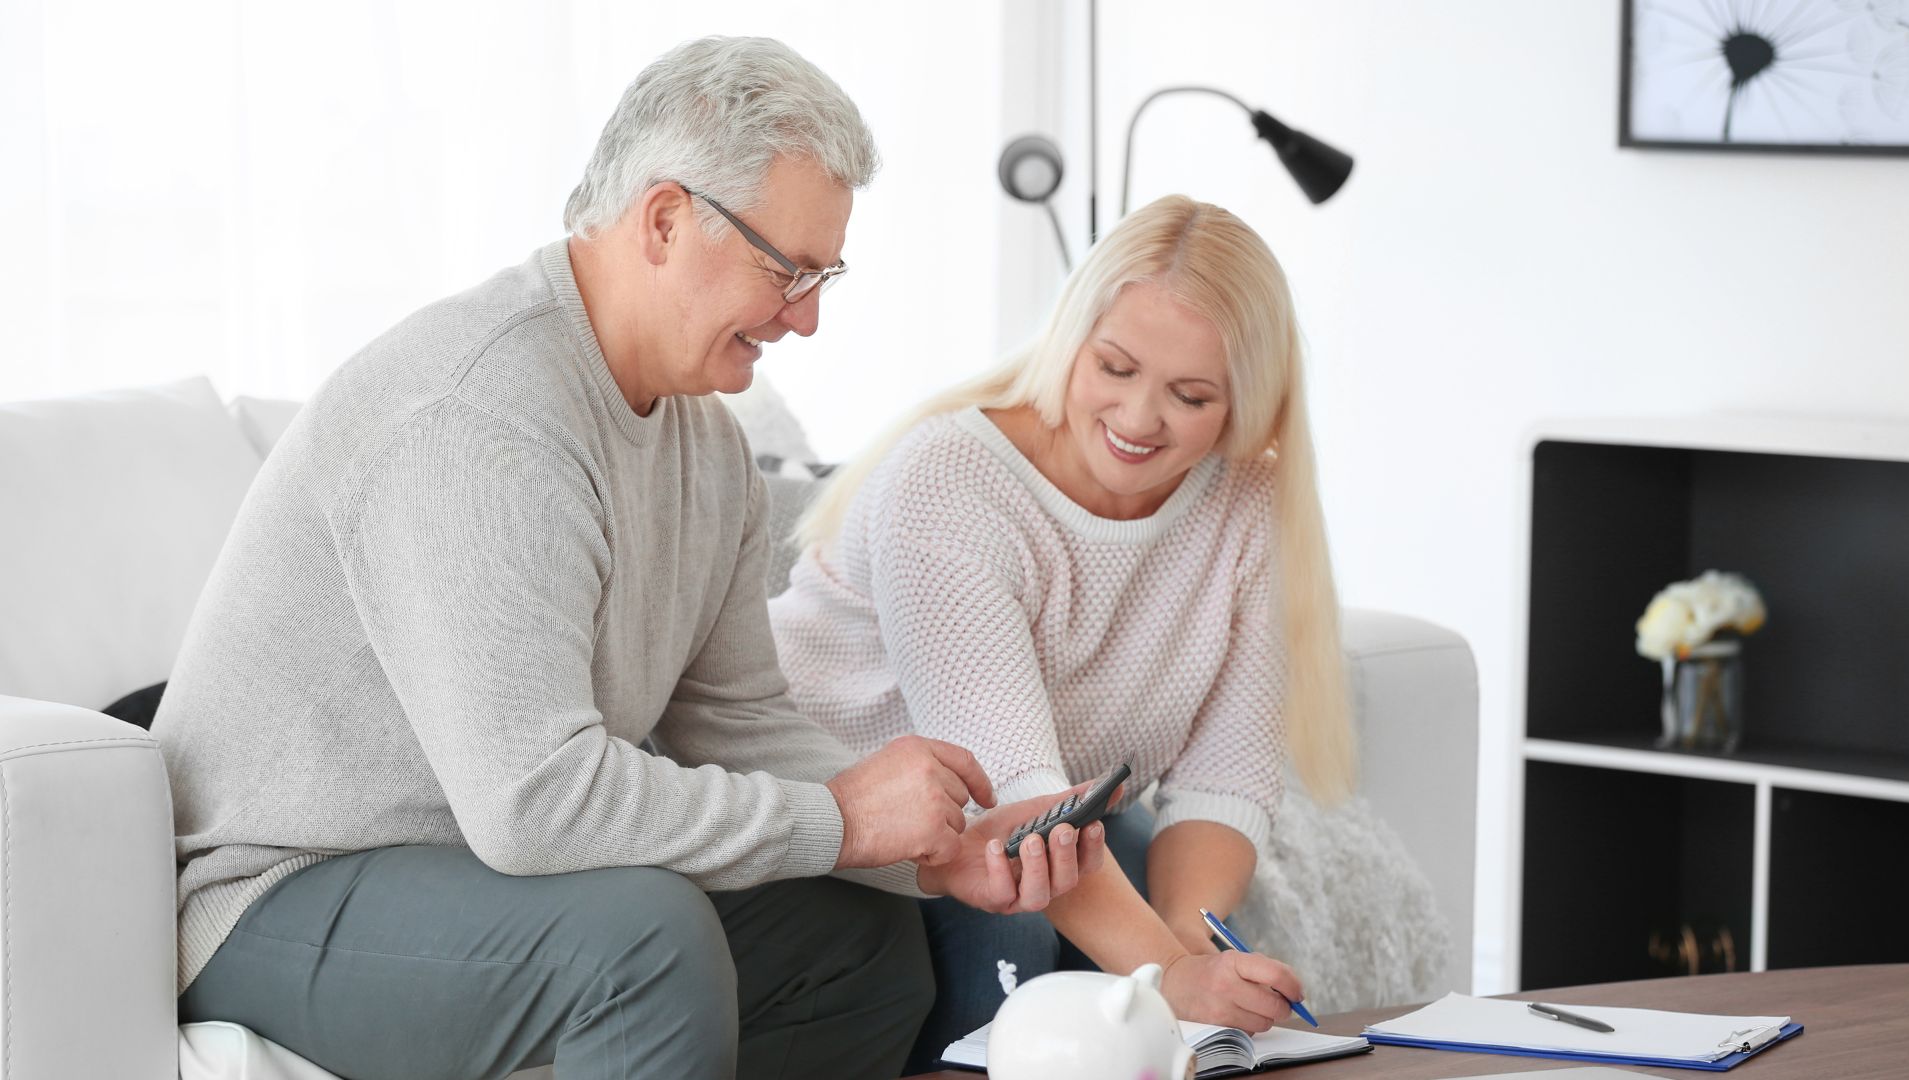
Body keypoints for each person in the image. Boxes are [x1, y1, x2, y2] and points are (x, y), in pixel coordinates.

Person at [153, 36, 1103, 1080]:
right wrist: (838, 821)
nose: (809, 318)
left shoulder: (711, 451)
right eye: (787, 271)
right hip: (277, 895)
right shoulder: (481, 415)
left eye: (825, 274)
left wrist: (938, 845)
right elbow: (535, 802)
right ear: (663, 221)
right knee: (646, 944)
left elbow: (737, 723)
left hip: (469, 872)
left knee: (859, 952)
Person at [768, 194, 1356, 1072]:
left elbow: (1223, 782)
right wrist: (1165, 975)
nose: (1139, 419)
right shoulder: (948, 480)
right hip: (842, 821)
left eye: (1191, 396)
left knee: (1132, 875)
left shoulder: (1250, 502)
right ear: (1069, 338)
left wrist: (1194, 969)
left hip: (1032, 825)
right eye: (1114, 367)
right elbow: (1012, 794)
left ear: (1245, 405)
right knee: (1013, 933)